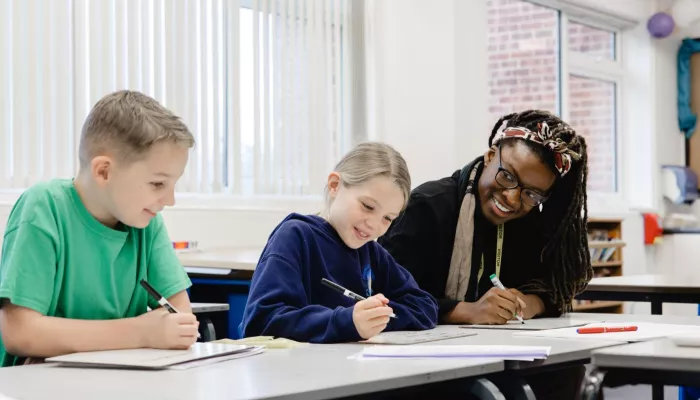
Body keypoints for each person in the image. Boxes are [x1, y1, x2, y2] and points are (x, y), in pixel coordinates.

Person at [378, 110, 593, 399]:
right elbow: (386, 297)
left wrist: (526, 303)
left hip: (495, 352)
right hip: (419, 362)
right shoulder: (427, 207)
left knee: (566, 370)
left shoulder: (531, 220)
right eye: (508, 177)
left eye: (532, 193)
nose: (513, 198)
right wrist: (467, 311)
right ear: (491, 156)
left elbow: (556, 290)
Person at [0, 90, 199, 367]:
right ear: (104, 171)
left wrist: (166, 331)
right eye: (157, 184)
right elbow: (21, 333)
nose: (170, 200)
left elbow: (181, 321)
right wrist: (140, 332)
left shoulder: (146, 223)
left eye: (173, 185)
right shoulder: (43, 208)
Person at [239, 142, 438, 343]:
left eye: (388, 218)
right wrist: (346, 322)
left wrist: (376, 319)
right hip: (300, 370)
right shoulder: (295, 237)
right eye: (368, 206)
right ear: (335, 185)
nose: (374, 225)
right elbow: (261, 322)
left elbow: (424, 306)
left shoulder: (370, 251)